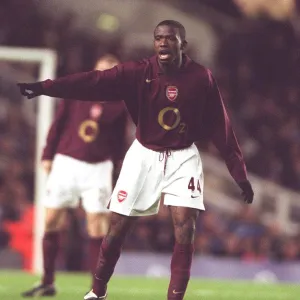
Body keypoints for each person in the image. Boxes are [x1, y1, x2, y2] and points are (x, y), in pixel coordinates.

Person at [18, 20, 254, 300]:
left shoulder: (202, 77)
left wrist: (239, 174)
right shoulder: (138, 72)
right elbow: (91, 82)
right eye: (158, 38)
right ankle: (98, 291)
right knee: (117, 227)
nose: (163, 42)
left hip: (183, 156)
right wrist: (45, 87)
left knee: (185, 227)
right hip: (143, 154)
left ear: (183, 44)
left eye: (170, 38)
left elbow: (221, 128)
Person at [21, 54, 130, 297]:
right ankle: (48, 280)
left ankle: (96, 289)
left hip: (98, 167)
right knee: (51, 220)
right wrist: (48, 154)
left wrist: (118, 170)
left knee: (97, 226)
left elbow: (119, 141)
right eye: (100, 69)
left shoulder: (120, 104)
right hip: (66, 162)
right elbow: (58, 124)